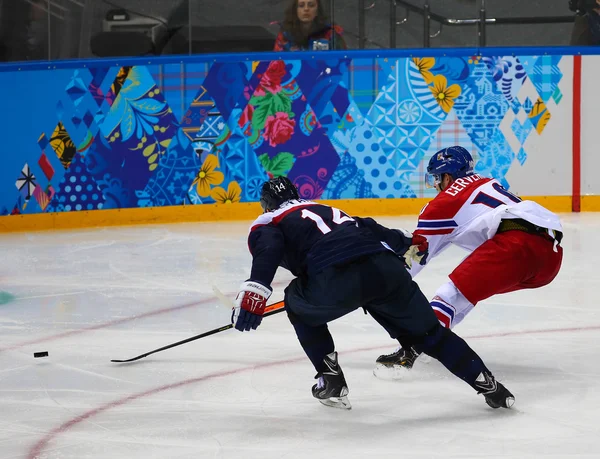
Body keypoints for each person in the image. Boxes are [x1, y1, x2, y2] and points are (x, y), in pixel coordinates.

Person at [231, 176, 515, 410]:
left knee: (297, 304)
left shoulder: (269, 221)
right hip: (385, 269)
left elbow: (268, 249)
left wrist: (256, 290)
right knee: (430, 335)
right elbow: (367, 225)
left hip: (335, 278)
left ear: (266, 205)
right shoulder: (328, 209)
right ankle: (489, 385)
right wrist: (404, 242)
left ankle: (331, 380)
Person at [374, 146, 563, 378]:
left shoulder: (444, 203)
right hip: (550, 258)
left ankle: (413, 346)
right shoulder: (486, 182)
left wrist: (376, 284)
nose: (436, 185)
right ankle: (431, 339)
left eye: (436, 178)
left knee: (450, 294)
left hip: (517, 246)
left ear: (447, 176)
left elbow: (416, 256)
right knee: (467, 292)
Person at [273, 0, 347, 51]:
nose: (306, 9)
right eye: (301, 5)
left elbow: (344, 61)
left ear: (317, 10)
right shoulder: (285, 35)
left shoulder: (330, 33)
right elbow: (277, 63)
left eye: (311, 5)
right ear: (295, 10)